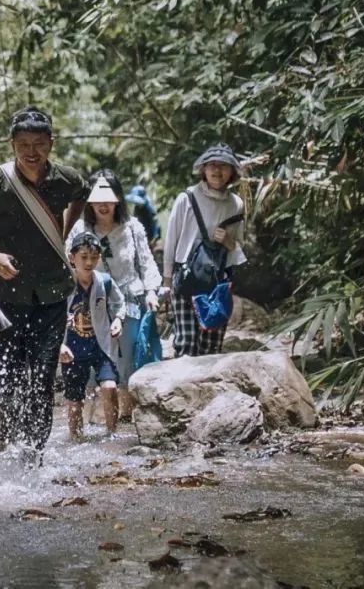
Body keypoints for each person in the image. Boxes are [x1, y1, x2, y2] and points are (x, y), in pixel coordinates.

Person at [0, 107, 88, 461]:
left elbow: (82, 193)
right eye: (23, 145)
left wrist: (62, 232)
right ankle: (12, 434)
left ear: (51, 142)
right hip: (5, 295)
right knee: (7, 372)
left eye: (39, 144)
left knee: (44, 373)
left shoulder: (66, 179)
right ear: (12, 144)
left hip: (51, 292)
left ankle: (34, 450)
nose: (32, 152)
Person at [67, 170, 162, 419]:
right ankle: (90, 419)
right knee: (87, 362)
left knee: (127, 360)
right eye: (98, 198)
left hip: (130, 301)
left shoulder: (132, 228)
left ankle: (125, 420)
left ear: (118, 198)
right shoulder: (80, 228)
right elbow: (67, 266)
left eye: (109, 197)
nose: (103, 204)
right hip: (91, 303)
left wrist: (152, 291)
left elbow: (147, 263)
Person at [162, 144, 247, 356]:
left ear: (232, 172)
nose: (217, 171)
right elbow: (171, 239)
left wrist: (228, 240)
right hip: (186, 278)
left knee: (211, 346)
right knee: (186, 343)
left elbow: (238, 248)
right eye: (212, 165)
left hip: (218, 280)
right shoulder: (187, 198)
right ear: (203, 169)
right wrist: (166, 279)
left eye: (223, 166)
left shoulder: (236, 204)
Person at [59, 233, 125, 440]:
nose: (89, 262)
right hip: (72, 348)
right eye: (84, 256)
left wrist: (118, 320)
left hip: (100, 345)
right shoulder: (63, 285)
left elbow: (120, 303)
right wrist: (58, 346)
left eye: (94, 257)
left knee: (109, 386)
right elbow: (50, 318)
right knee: (75, 400)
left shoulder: (104, 282)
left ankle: (112, 433)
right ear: (72, 258)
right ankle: (76, 440)